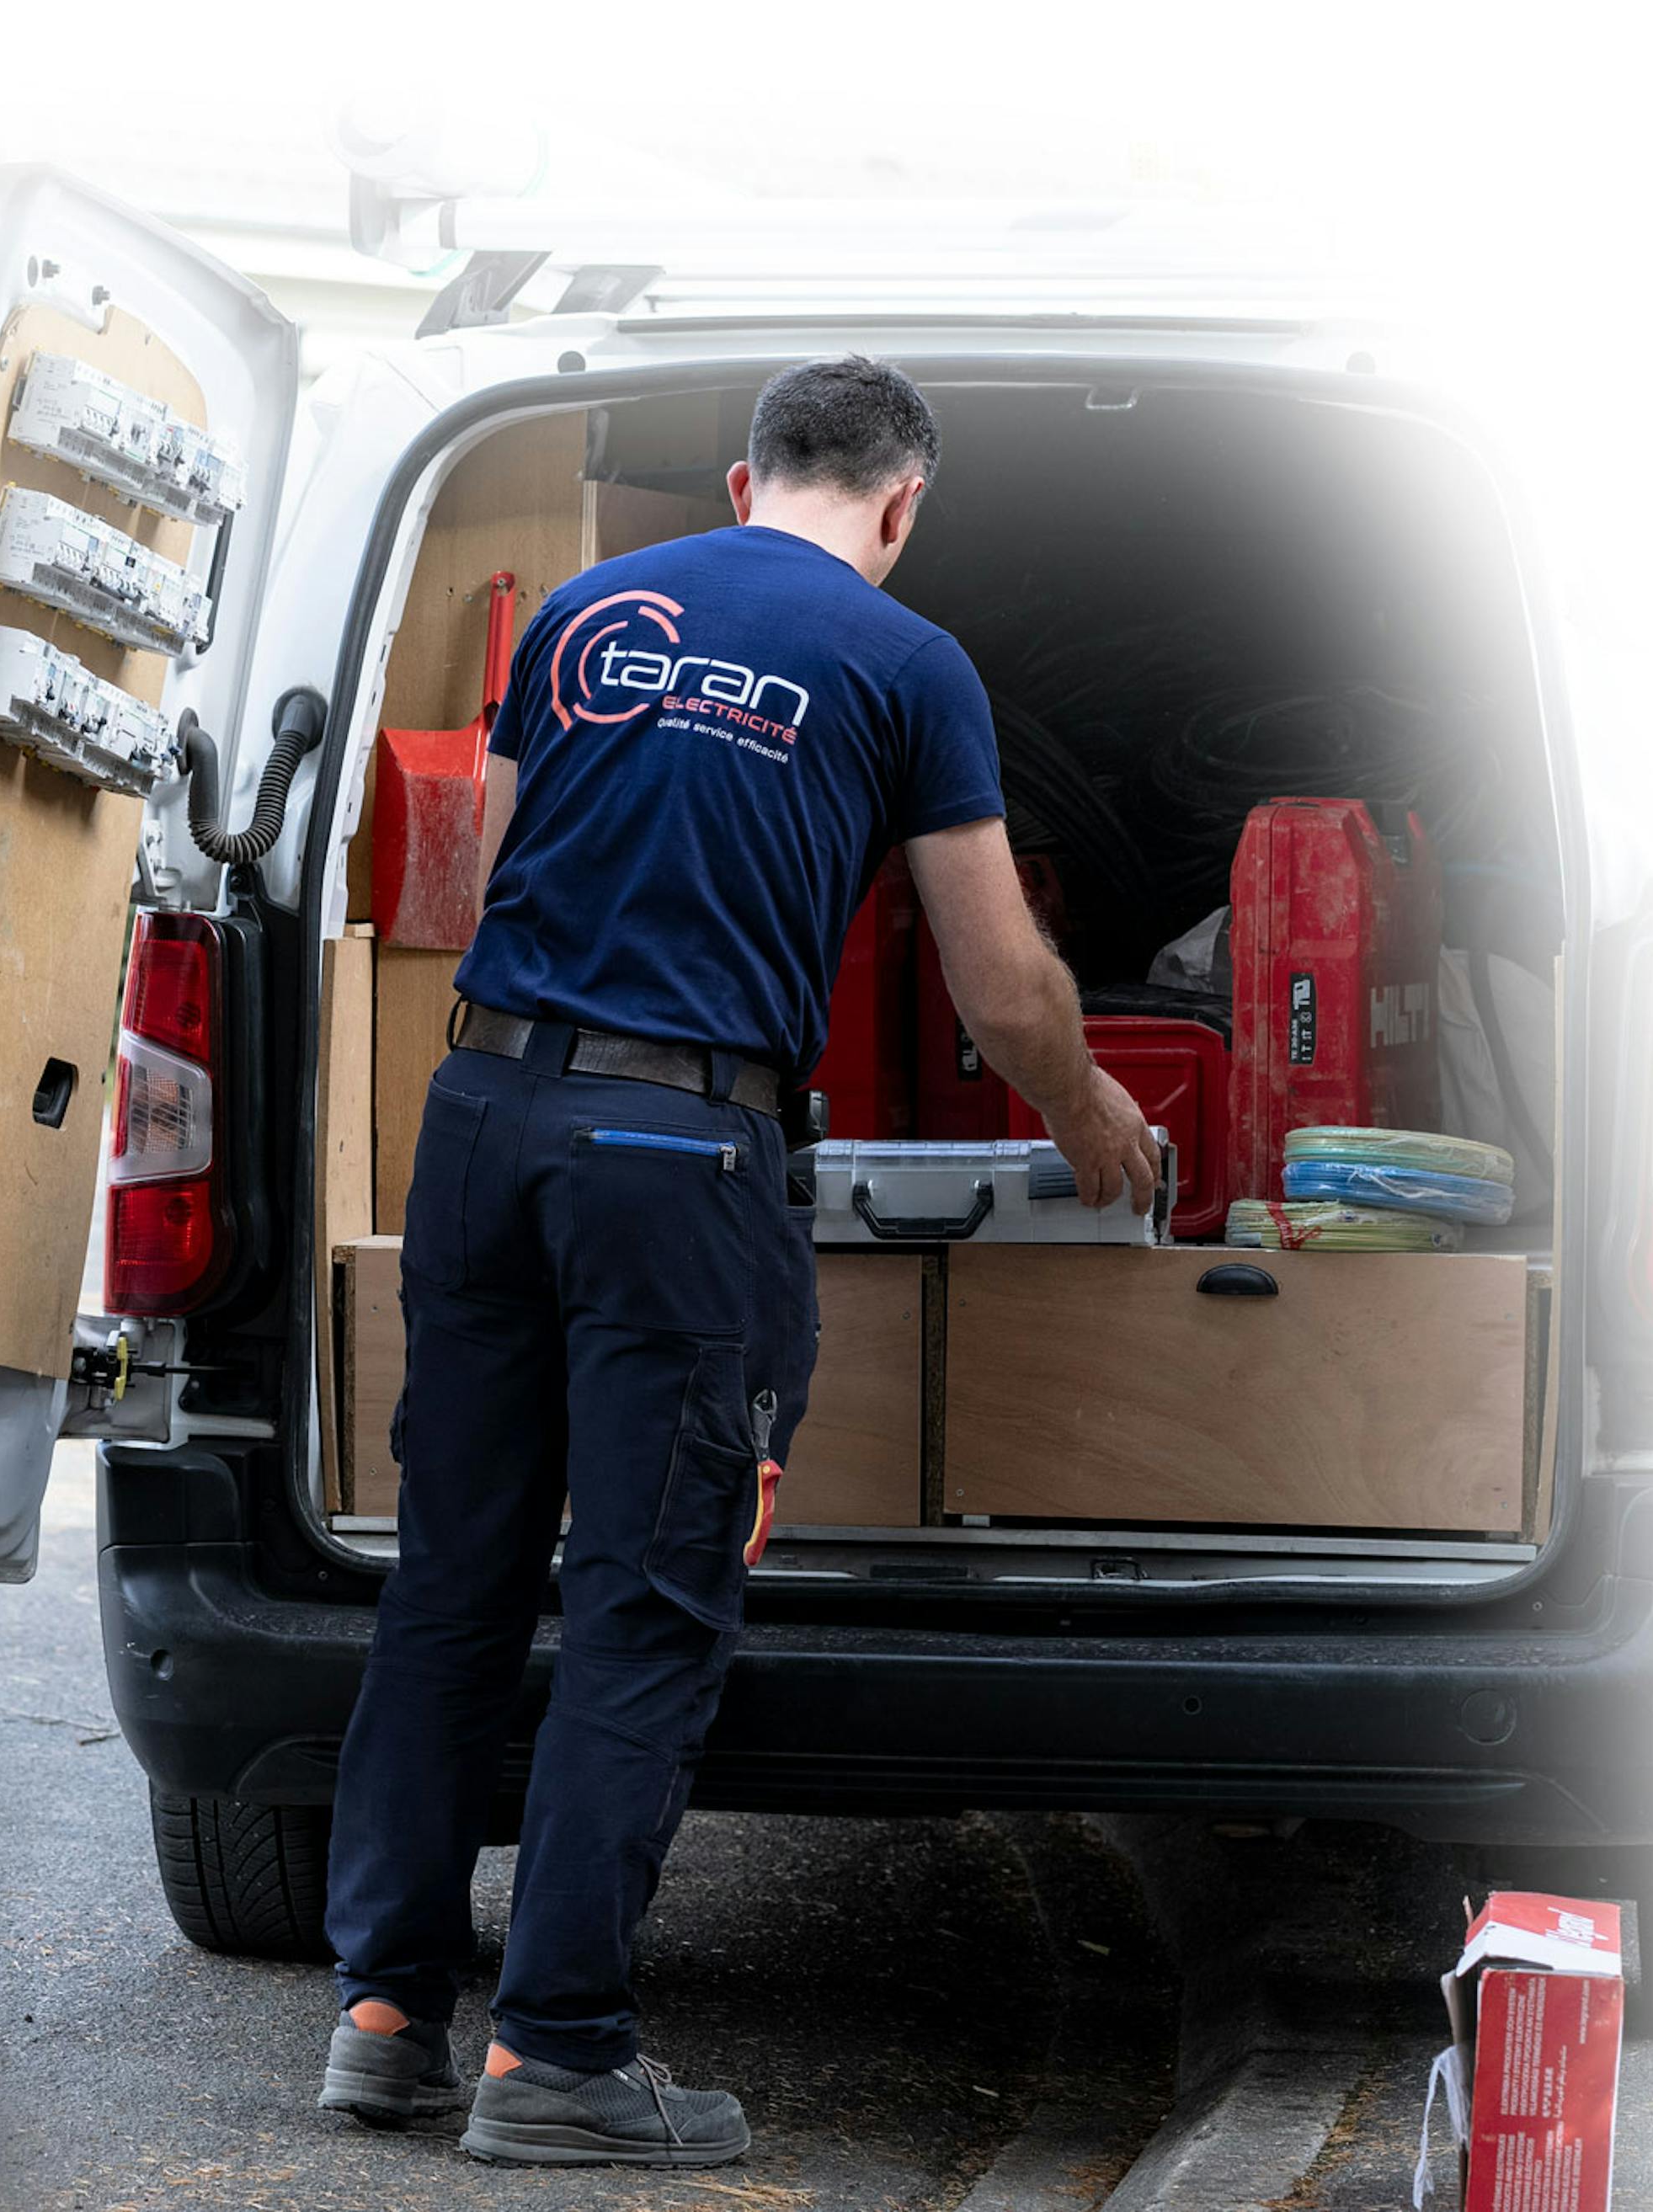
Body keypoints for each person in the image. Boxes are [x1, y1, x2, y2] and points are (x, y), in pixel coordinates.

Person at [319, 355, 1159, 2169]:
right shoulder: (907, 665)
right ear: (904, 507)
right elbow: (998, 983)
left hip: (483, 1117)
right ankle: (556, 2059)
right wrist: (1094, 1116)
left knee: (454, 1580)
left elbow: (496, 871)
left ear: (738, 478)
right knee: (644, 1598)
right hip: (676, 1160)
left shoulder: (581, 610)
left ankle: (385, 2017)